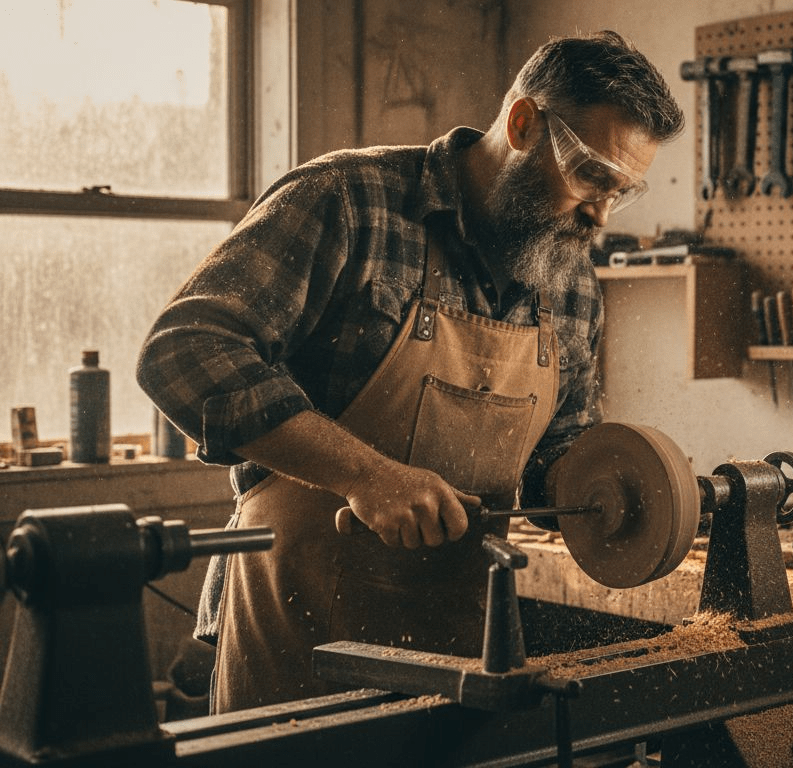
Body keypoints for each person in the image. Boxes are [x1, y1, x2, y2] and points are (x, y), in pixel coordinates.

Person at [137, 30, 684, 712]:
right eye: (592, 175)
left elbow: (557, 445)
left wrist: (625, 487)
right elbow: (184, 350)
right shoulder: (348, 201)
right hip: (297, 631)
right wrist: (367, 477)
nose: (601, 213)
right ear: (522, 125)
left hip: (455, 650)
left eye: (622, 190)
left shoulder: (565, 272)